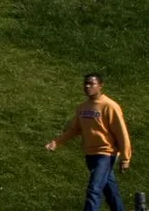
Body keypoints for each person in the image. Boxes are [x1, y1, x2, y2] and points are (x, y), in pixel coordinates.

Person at [46, 72, 132, 211]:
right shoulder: (82, 107)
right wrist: (56, 142)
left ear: (100, 86)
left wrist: (125, 158)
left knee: (94, 189)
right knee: (110, 191)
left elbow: (121, 133)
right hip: (90, 154)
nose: (87, 86)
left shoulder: (109, 106)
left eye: (91, 84)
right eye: (85, 83)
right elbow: (75, 129)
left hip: (106, 153)